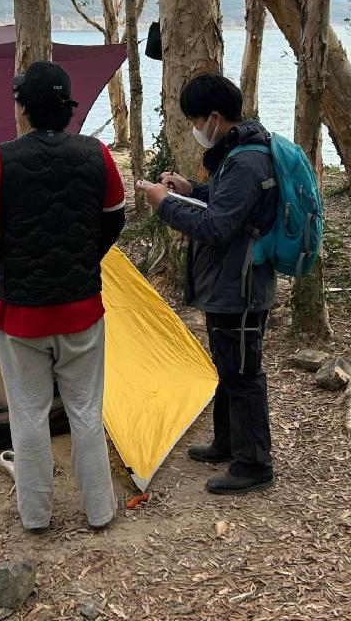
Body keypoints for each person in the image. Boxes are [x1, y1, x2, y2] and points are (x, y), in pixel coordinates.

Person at [0, 61, 126, 533]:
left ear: (24, 110)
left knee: (30, 415)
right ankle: (100, 510)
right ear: (67, 109)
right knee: (84, 411)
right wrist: (85, 256)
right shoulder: (98, 154)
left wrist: (7, 266)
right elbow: (114, 217)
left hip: (20, 317)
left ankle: (36, 516)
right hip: (81, 310)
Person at [137, 72, 277, 495]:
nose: (196, 130)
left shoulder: (246, 160)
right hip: (231, 281)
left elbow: (217, 227)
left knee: (243, 371)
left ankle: (253, 463)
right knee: (227, 365)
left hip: (242, 286)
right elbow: (227, 204)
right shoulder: (237, 154)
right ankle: (227, 442)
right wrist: (190, 188)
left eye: (196, 121)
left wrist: (164, 205)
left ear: (214, 117)